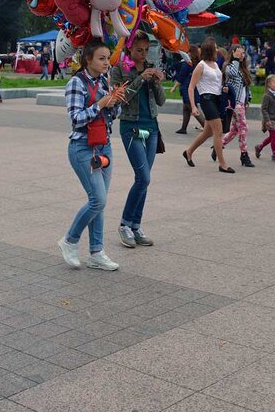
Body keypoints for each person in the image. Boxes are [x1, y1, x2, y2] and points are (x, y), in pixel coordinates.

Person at [58, 38, 126, 271]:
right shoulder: (76, 83)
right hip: (83, 147)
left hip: (104, 146)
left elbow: (110, 115)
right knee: (98, 199)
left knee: (99, 203)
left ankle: (96, 253)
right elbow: (75, 119)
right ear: (88, 59)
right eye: (102, 58)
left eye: (108, 58)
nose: (107, 62)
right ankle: (69, 241)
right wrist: (100, 104)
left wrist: (115, 102)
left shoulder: (104, 81)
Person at [111, 30, 166, 249]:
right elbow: (120, 99)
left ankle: (136, 226)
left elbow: (161, 102)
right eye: (138, 50)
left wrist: (156, 82)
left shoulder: (151, 68)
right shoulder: (120, 69)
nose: (143, 55)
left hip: (151, 127)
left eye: (146, 50)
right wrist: (139, 79)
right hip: (130, 126)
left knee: (144, 179)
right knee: (143, 177)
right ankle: (125, 224)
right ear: (128, 49)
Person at [183, 38, 234, 173]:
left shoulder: (215, 64)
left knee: (207, 133)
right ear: (210, 49)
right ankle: (222, 164)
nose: (217, 50)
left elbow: (217, 81)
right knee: (218, 131)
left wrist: (224, 90)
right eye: (215, 47)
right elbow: (191, 87)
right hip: (206, 99)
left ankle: (188, 152)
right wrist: (193, 106)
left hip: (217, 99)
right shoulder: (201, 66)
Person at [221, 44, 254, 167]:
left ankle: (219, 146)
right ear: (233, 52)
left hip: (242, 103)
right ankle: (244, 155)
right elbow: (233, 74)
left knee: (235, 130)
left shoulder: (242, 68)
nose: (242, 55)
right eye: (240, 52)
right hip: (234, 103)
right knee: (243, 128)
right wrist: (235, 59)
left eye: (243, 53)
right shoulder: (229, 66)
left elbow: (246, 85)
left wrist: (248, 98)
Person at [171, 45, 205, 134]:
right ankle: (183, 128)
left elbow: (181, 76)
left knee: (193, 108)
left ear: (190, 52)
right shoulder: (198, 62)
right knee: (186, 108)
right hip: (194, 87)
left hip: (187, 88)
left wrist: (174, 87)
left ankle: (206, 127)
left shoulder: (187, 63)